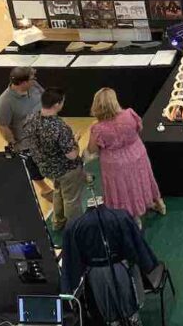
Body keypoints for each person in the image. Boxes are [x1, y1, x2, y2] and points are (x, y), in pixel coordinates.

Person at [86, 88, 165, 227]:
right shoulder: (129, 114)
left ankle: (134, 218)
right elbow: (139, 128)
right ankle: (158, 203)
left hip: (115, 163)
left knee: (123, 189)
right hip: (137, 154)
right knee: (144, 179)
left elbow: (92, 149)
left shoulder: (97, 128)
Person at [26, 88, 85, 231]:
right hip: (66, 170)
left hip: (46, 168)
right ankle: (76, 229)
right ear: (57, 104)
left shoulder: (32, 119)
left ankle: (58, 221)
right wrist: (75, 141)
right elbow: (72, 155)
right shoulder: (59, 127)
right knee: (72, 200)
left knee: (58, 190)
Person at [0, 66, 53, 200]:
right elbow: (3, 126)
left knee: (50, 159)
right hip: (26, 141)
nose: (35, 80)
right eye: (32, 79)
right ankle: (45, 189)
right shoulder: (5, 103)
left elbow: (43, 96)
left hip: (44, 131)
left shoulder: (33, 86)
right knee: (33, 166)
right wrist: (14, 144)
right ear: (23, 82)